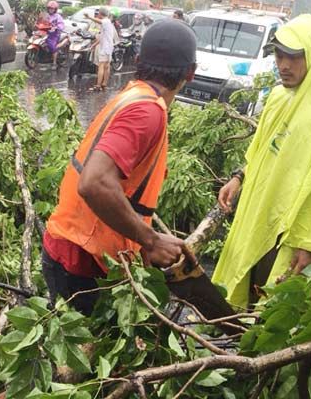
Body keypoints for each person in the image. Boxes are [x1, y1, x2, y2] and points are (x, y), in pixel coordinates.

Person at [42, 20, 198, 315]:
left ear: (138, 61)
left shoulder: (132, 95)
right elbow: (95, 183)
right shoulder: (146, 110)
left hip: (70, 247)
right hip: (85, 260)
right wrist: (150, 240)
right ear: (191, 72)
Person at [211, 14, 311, 310]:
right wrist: (239, 177)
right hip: (259, 213)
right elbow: (263, 148)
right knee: (245, 292)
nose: (284, 65)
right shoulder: (280, 97)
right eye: (280, 55)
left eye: (294, 58)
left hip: (292, 234)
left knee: (275, 309)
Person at [84, 7, 117, 91]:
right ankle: (104, 84)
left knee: (101, 66)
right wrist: (94, 44)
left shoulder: (105, 21)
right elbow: (102, 37)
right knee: (107, 66)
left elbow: (99, 21)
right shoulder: (108, 22)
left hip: (105, 47)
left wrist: (89, 17)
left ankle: (98, 85)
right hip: (109, 47)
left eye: (98, 13)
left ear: (100, 14)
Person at [45, 0, 65, 70]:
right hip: (45, 33)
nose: (51, 10)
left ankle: (54, 63)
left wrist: (56, 27)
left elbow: (61, 25)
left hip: (54, 34)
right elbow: (41, 22)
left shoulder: (58, 16)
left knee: (53, 47)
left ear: (55, 9)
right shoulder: (45, 15)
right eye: (50, 8)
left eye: (52, 9)